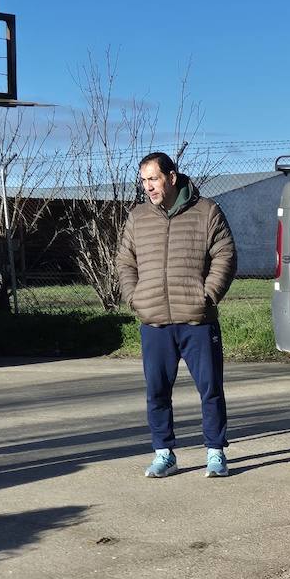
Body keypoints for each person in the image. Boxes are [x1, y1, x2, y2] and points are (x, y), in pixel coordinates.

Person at [117, 152, 237, 478]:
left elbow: (225, 254)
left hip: (197, 319)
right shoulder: (138, 217)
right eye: (143, 181)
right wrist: (135, 298)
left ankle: (215, 452)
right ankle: (164, 453)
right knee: (156, 390)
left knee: (210, 388)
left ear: (171, 177)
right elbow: (125, 262)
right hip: (154, 320)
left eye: (153, 179)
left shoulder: (207, 211)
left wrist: (207, 295)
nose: (148, 187)